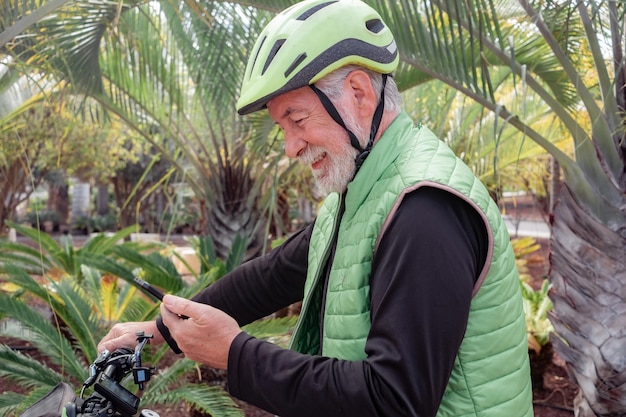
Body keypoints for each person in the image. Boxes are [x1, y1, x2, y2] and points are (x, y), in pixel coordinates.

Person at [98, 0, 534, 415]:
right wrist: (161, 330)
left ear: (359, 93)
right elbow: (270, 277)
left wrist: (235, 353)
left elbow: (396, 400)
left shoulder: (425, 209)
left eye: (298, 120)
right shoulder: (367, 189)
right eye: (282, 127)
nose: (290, 147)